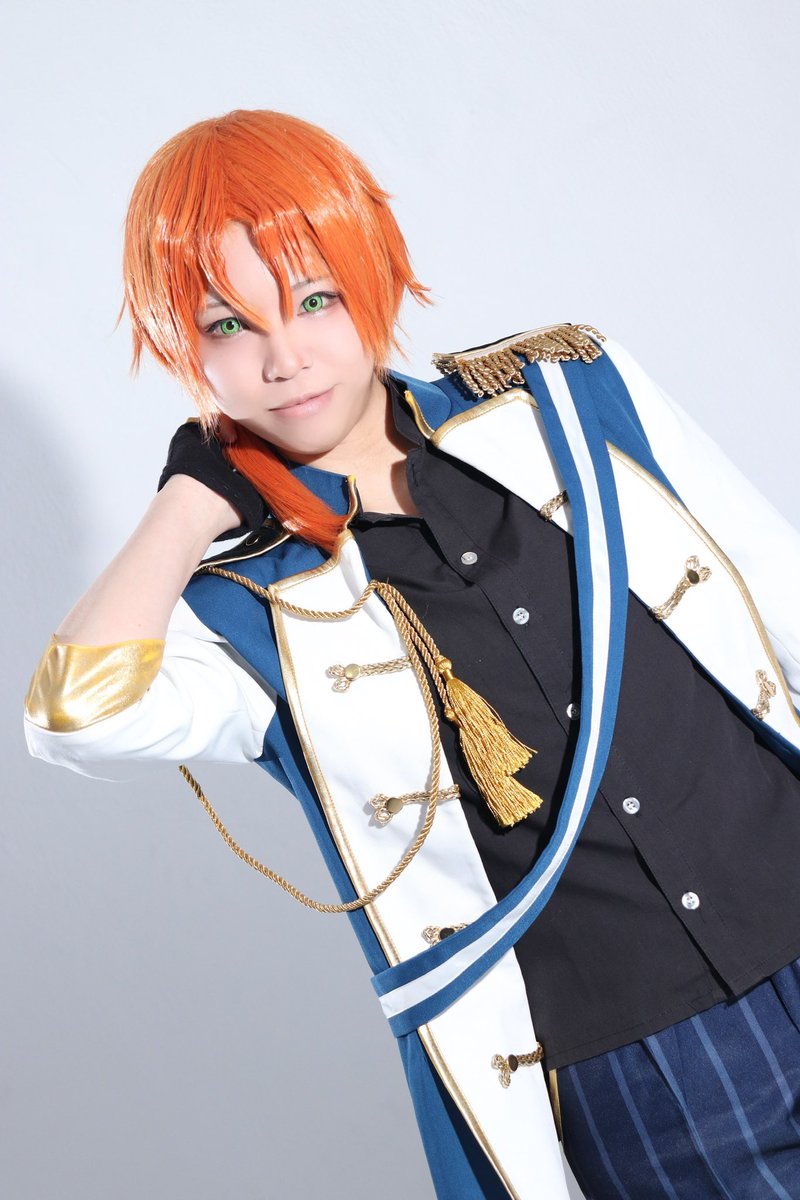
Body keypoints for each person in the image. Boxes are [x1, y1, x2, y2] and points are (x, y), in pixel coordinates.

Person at [23, 109, 800, 1200]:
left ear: (372, 271)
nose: (284, 358)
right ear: (179, 346)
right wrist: (190, 499)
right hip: (650, 1066)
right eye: (227, 325)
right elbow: (74, 717)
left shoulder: (569, 397)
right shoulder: (247, 609)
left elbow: (781, 599)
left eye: (313, 299)